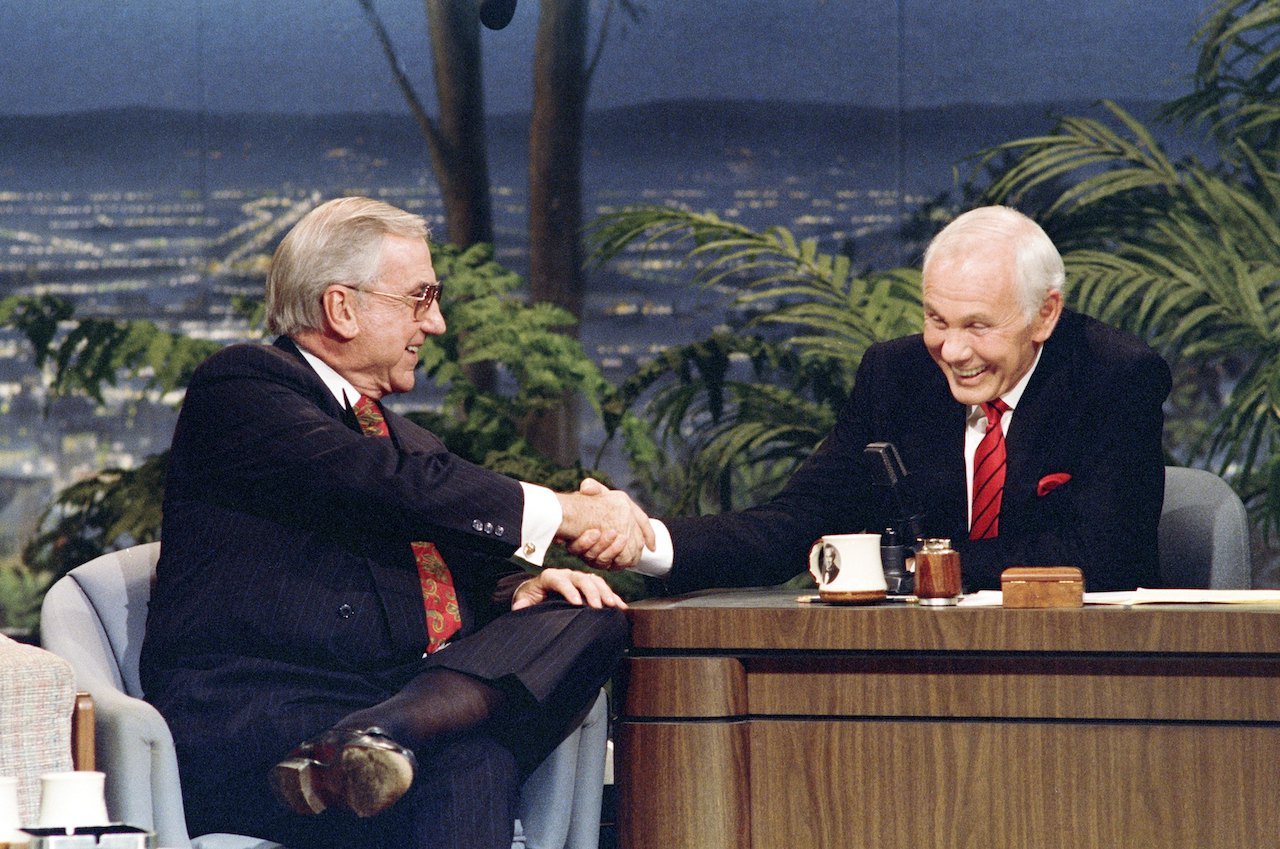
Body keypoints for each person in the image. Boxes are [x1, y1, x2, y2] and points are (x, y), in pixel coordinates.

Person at [139, 196, 654, 849]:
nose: (435, 323)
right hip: (258, 720)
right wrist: (565, 510)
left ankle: (386, 734)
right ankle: (378, 738)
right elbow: (386, 484)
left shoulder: (403, 436)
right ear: (342, 307)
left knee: (590, 615)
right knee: (468, 760)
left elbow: (434, 571)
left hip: (374, 709)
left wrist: (519, 591)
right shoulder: (244, 387)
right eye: (419, 298)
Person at [575, 205, 1172, 594]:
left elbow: (1101, 554)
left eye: (979, 326)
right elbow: (797, 521)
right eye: (937, 319)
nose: (953, 351)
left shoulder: (1114, 377)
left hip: (1082, 667)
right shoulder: (897, 374)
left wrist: (908, 569)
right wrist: (650, 540)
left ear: (1045, 313)